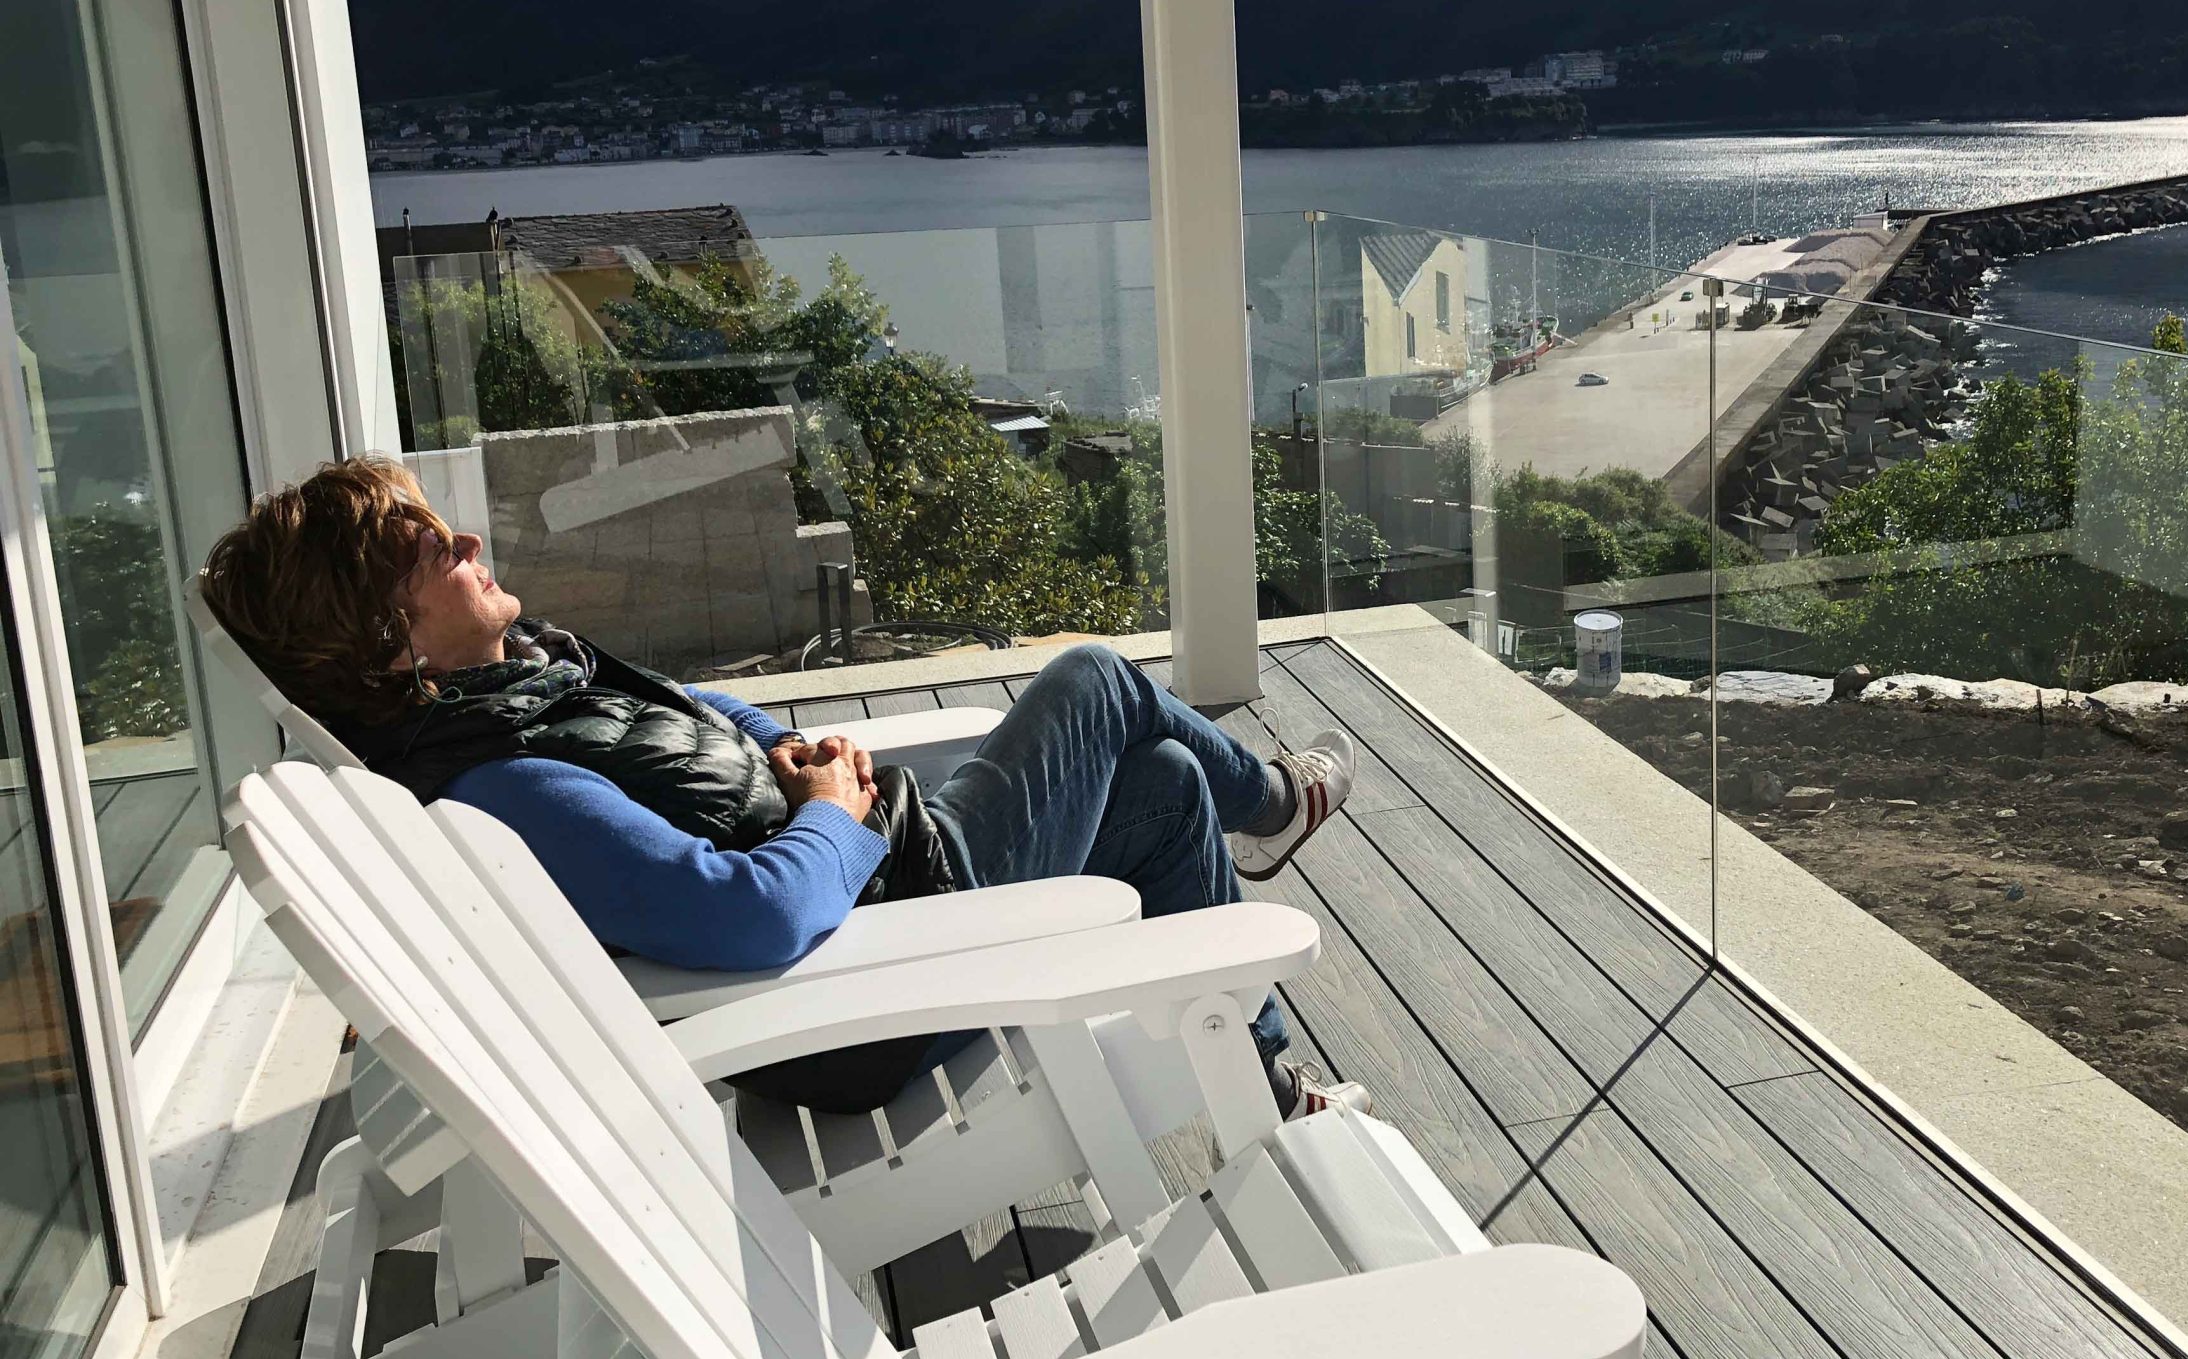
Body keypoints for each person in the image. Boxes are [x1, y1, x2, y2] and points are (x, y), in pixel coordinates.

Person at [198, 457, 1364, 1120]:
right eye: (428, 551)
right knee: (1096, 679)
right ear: (386, 638)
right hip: (890, 971)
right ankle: (1269, 806)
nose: (463, 538)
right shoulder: (506, 785)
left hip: (890, 895)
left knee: (1161, 779)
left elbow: (700, 714)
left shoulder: (524, 683)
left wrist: (792, 754)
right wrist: (831, 816)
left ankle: (1260, 1073)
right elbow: (745, 916)